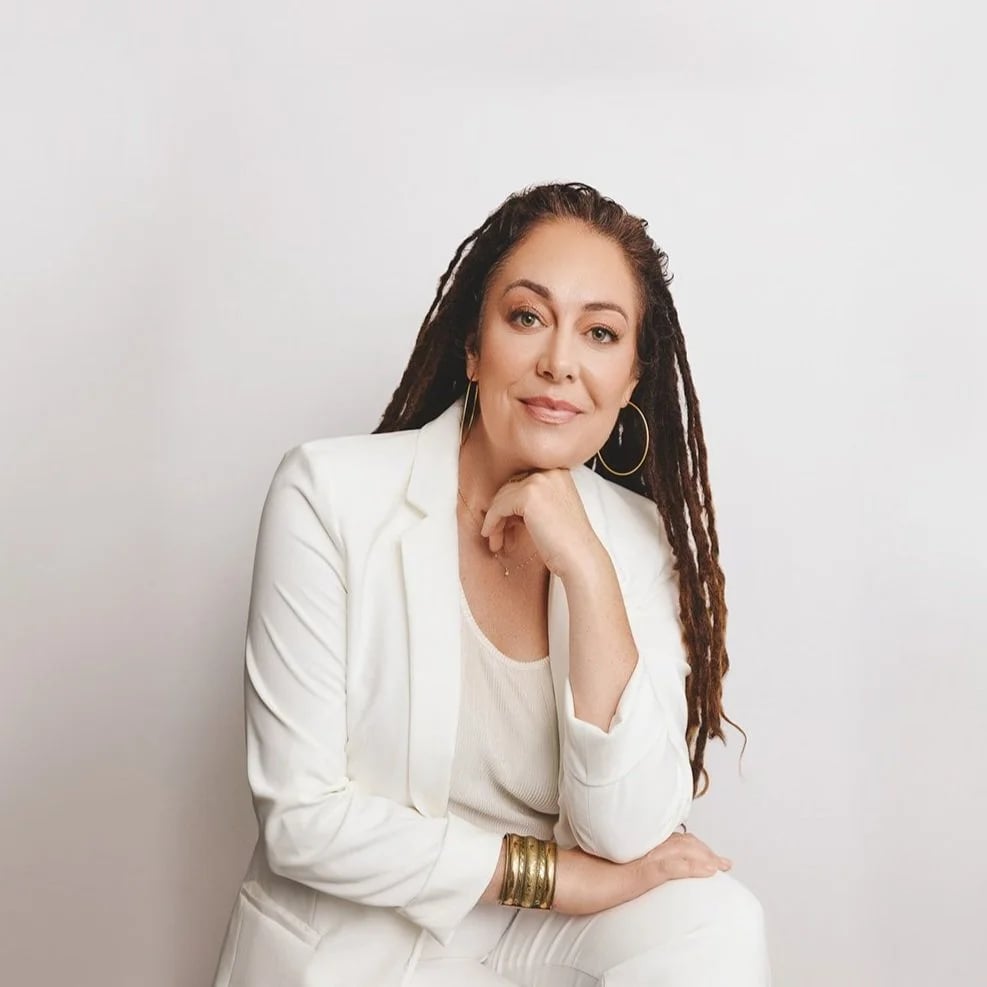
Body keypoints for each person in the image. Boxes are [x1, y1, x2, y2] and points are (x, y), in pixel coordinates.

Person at [211, 182, 771, 987]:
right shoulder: (327, 494)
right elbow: (302, 820)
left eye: (600, 333)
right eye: (526, 316)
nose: (559, 362)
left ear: (627, 387)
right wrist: (557, 878)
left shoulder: (634, 539)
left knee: (715, 920)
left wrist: (585, 566)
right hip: (365, 933)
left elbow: (629, 832)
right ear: (473, 347)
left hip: (535, 942)